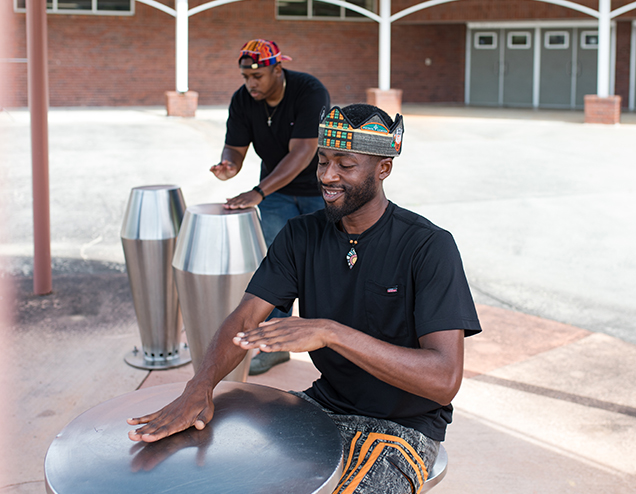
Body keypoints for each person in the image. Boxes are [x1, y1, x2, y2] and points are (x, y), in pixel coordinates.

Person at [128, 104, 482, 494]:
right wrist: (200, 386)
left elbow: (443, 380)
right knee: (220, 473)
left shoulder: (428, 246)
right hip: (322, 406)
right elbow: (245, 319)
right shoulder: (301, 235)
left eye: (345, 165)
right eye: (323, 161)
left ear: (383, 168)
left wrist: (331, 332)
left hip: (402, 427)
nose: (327, 176)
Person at [211, 39, 330, 375]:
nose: (250, 83)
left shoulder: (309, 91)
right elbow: (234, 148)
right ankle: (276, 344)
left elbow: (303, 152)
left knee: (325, 262)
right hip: (277, 192)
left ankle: (335, 339)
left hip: (320, 189)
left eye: (257, 76)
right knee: (280, 266)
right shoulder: (243, 100)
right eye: (245, 76)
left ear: (278, 70)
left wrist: (258, 191)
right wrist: (228, 166)